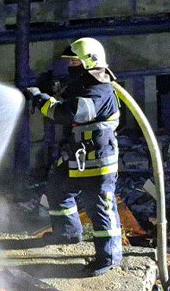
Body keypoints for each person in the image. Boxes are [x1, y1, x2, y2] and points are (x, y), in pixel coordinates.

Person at [25, 37, 122, 276]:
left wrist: (40, 98)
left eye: (75, 62)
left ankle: (108, 258)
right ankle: (67, 234)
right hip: (78, 159)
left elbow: (68, 113)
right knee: (57, 189)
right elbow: (68, 99)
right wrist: (49, 88)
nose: (70, 66)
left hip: (98, 162)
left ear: (90, 62)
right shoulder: (84, 85)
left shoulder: (100, 90)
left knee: (100, 208)